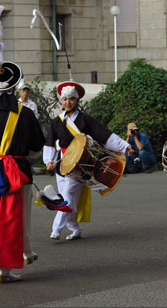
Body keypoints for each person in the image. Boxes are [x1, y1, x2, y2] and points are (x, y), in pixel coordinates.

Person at [0, 61, 45, 284]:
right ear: (15, 88)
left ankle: (18, 255)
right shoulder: (24, 114)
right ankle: (4, 270)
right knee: (15, 219)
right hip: (18, 171)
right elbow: (37, 145)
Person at [44, 81, 133, 241]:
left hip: (80, 165)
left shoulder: (86, 120)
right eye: (64, 99)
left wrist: (125, 146)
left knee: (67, 196)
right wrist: (48, 160)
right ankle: (75, 228)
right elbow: (50, 141)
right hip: (62, 163)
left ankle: (56, 229)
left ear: (77, 100)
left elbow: (105, 135)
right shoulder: (56, 121)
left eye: (71, 99)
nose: (67, 102)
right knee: (70, 198)